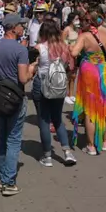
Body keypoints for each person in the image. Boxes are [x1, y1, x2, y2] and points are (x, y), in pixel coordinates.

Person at [0, 13, 31, 196]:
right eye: (21, 25)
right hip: (16, 98)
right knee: (13, 139)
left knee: (3, 136)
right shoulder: (21, 50)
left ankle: (2, 175)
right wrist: (32, 70)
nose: (23, 28)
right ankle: (8, 181)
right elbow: (22, 78)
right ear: (13, 28)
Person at [70, 8, 106, 155]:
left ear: (88, 21)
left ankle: (91, 146)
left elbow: (74, 53)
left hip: (88, 71)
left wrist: (70, 47)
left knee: (90, 108)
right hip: (103, 70)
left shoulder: (84, 36)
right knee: (104, 106)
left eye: (83, 21)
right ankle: (105, 142)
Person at [34, 19, 77, 166]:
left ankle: (47, 156)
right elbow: (71, 67)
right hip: (59, 84)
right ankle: (67, 152)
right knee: (57, 118)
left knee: (44, 120)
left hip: (42, 84)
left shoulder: (39, 48)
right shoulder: (64, 48)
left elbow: (32, 66)